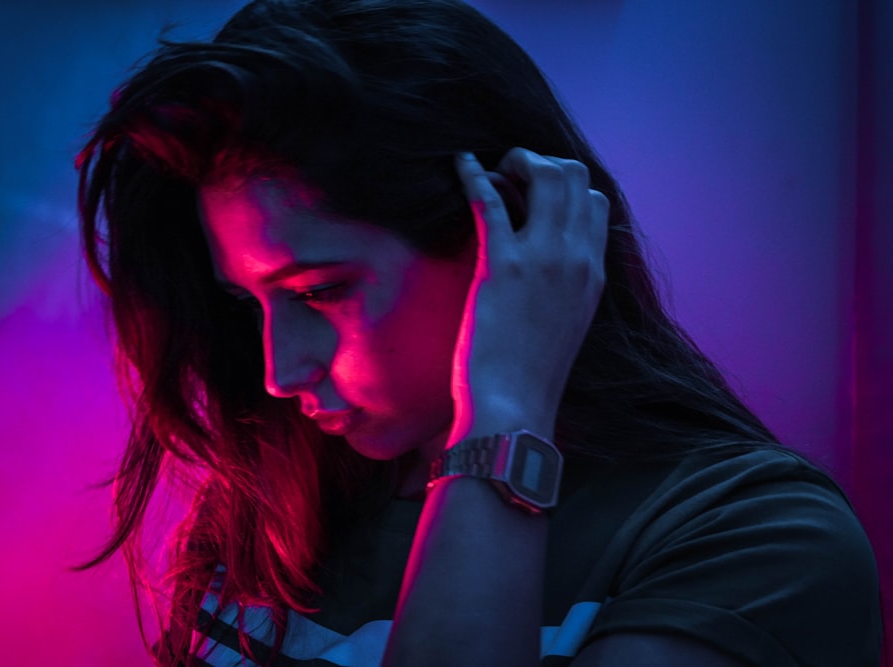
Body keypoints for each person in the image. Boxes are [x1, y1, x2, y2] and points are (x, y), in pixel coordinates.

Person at [75, 1, 883, 665]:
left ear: (510, 237)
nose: (280, 370)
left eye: (321, 291)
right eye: (250, 305)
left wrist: (502, 419)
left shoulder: (754, 539)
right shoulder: (282, 500)